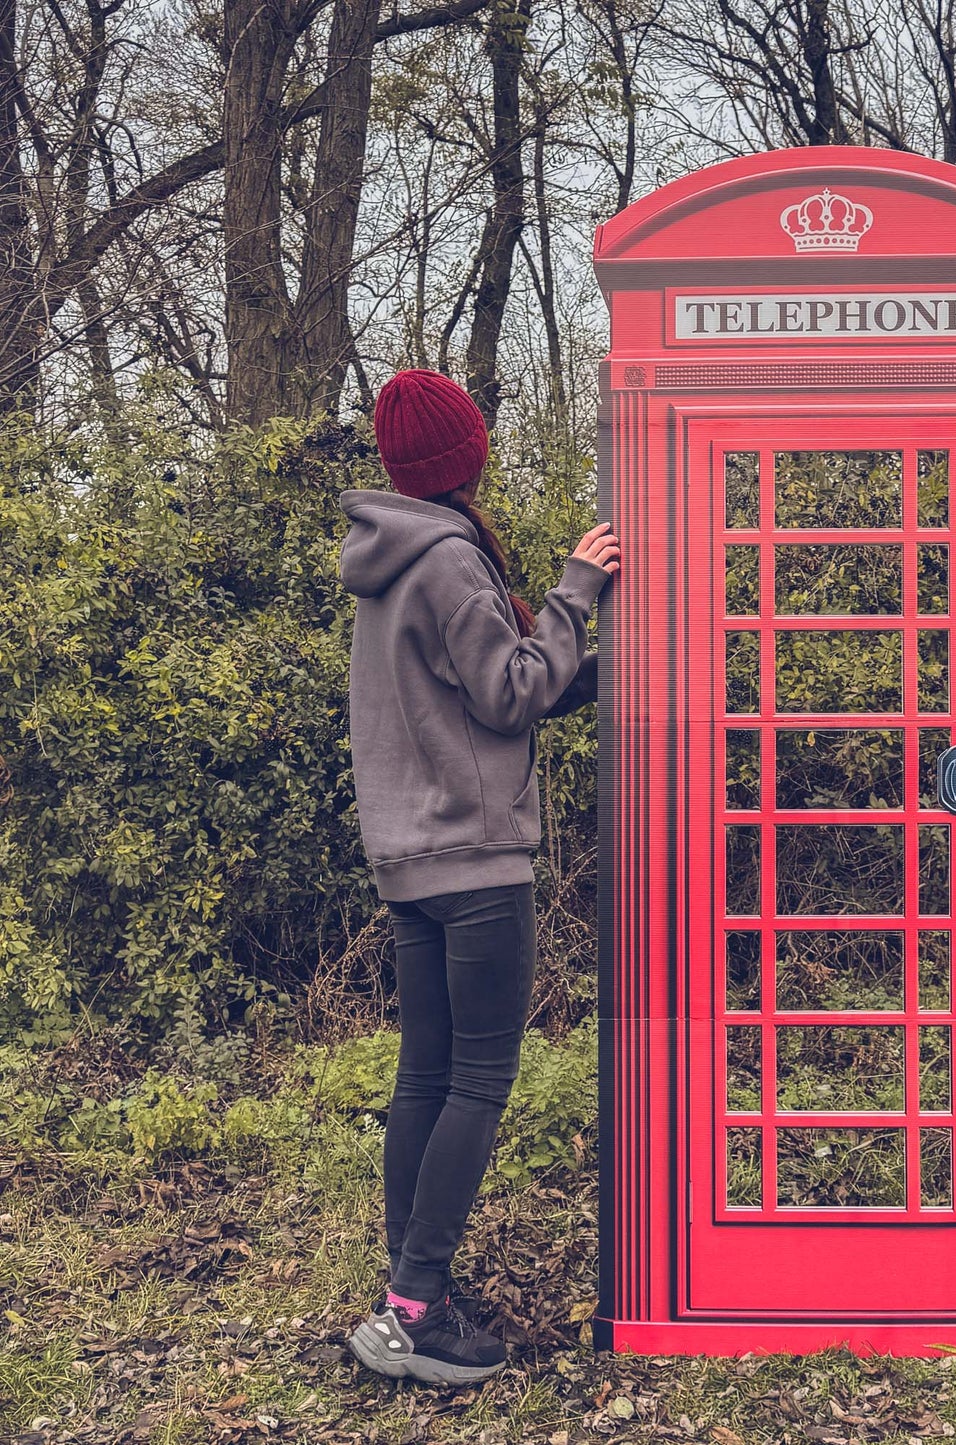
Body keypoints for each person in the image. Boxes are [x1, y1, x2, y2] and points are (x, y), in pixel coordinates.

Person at [336, 368, 620, 1385]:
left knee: (425, 1072)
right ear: (468, 451)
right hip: (474, 858)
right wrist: (574, 590)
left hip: (411, 853)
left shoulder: (388, 558)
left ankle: (408, 1289)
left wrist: (580, 660)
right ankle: (416, 1305)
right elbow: (509, 695)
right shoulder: (449, 554)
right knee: (479, 1077)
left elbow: (487, 690)